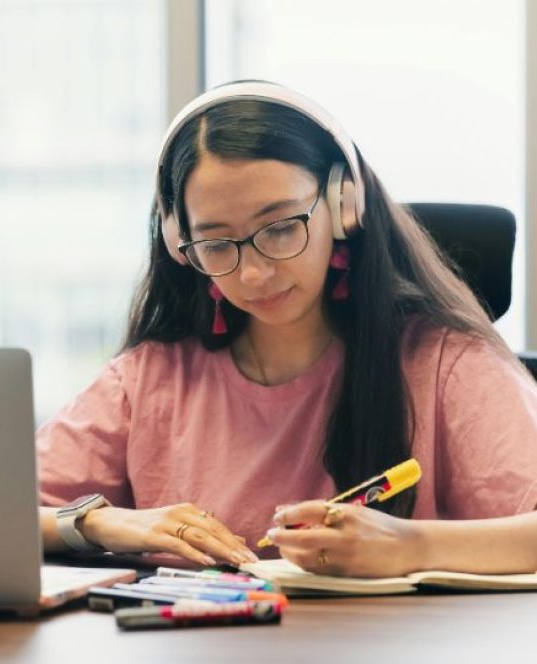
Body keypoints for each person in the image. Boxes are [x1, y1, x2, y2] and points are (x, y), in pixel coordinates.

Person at [36, 80, 537, 577]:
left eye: (279, 229)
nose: (253, 273)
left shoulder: (446, 365)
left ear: (345, 208)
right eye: (215, 244)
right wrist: (98, 522)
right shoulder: (147, 380)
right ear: (178, 242)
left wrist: (412, 544)